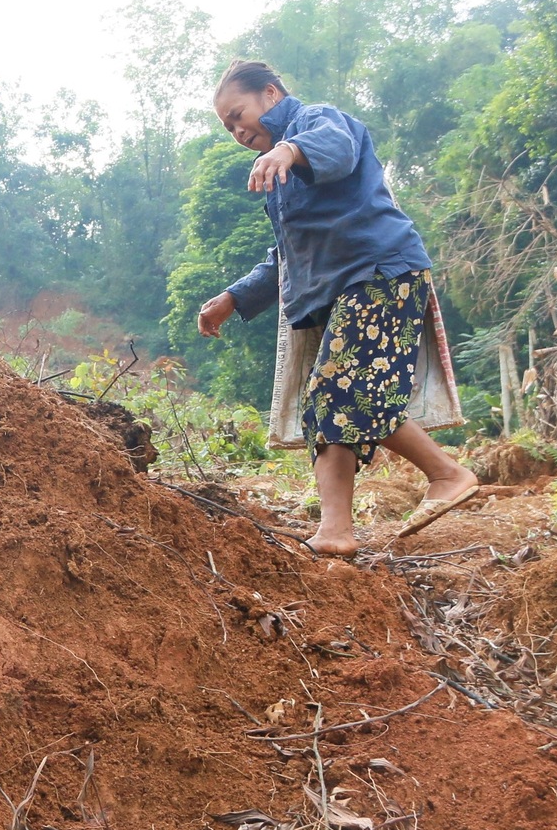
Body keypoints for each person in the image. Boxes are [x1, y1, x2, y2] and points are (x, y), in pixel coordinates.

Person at [197, 59, 477, 558]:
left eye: (239, 114)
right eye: (228, 126)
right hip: (343, 290)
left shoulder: (318, 121)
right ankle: (337, 532)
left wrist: (288, 148)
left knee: (338, 389)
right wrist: (234, 297)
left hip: (379, 272)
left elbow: (339, 149)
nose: (238, 130)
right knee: (329, 403)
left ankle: (447, 474)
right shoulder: (279, 176)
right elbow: (285, 255)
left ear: (270, 95)